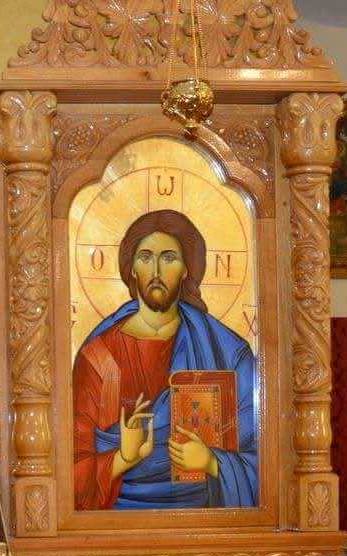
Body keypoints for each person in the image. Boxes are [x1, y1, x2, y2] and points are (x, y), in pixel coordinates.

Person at [71, 210, 258, 510]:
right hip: (115, 523)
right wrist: (123, 458)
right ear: (132, 268)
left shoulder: (227, 352)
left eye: (169, 258)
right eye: (145, 257)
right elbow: (70, 472)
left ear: (186, 269)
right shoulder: (99, 357)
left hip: (205, 522)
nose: (156, 270)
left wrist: (212, 462)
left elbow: (265, 456)